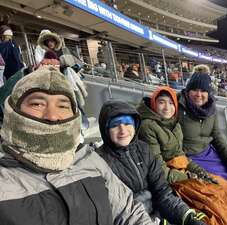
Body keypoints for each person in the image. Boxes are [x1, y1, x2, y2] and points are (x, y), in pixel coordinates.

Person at [0, 67, 156, 225]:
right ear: (13, 109)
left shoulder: (88, 158)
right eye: (37, 104)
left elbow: (128, 212)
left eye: (63, 106)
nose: (53, 116)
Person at [137, 86, 227, 225]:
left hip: (182, 170)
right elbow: (159, 169)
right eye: (161, 102)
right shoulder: (148, 126)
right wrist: (190, 177)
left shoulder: (174, 124)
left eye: (171, 103)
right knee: (215, 203)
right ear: (154, 103)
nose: (167, 107)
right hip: (172, 179)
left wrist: (201, 172)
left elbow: (181, 156)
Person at [96, 100, 208, 225]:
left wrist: (187, 217)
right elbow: (116, 212)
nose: (123, 130)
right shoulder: (100, 162)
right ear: (105, 130)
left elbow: (163, 193)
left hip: (157, 215)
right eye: (115, 125)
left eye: (128, 123)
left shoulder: (143, 149)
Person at [177, 73, 227, 183]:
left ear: (208, 93)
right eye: (194, 89)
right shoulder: (177, 107)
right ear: (188, 90)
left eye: (203, 90)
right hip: (188, 157)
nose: (198, 94)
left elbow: (216, 135)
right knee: (219, 182)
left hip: (207, 153)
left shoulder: (211, 109)